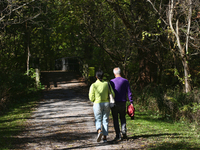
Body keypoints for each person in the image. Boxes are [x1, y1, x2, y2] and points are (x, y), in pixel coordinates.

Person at [89, 70, 115, 143]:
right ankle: (105, 138)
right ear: (103, 76)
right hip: (106, 103)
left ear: (96, 76)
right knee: (105, 120)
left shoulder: (93, 85)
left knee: (98, 119)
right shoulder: (107, 84)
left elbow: (91, 97)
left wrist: (95, 100)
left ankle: (99, 131)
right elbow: (112, 93)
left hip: (97, 104)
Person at [110, 67, 133, 141]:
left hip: (114, 103)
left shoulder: (111, 82)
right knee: (122, 117)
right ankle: (123, 130)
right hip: (123, 102)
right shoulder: (125, 81)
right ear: (121, 72)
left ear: (114, 73)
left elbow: (110, 93)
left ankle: (118, 135)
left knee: (115, 118)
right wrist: (131, 102)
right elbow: (129, 92)